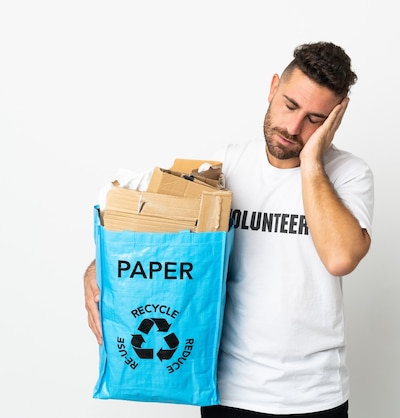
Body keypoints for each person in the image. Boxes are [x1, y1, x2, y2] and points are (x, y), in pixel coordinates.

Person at [84, 41, 374, 418]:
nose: (293, 127)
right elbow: (146, 227)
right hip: (227, 391)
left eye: (315, 119)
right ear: (272, 88)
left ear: (334, 120)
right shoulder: (223, 169)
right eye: (289, 105)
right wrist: (97, 267)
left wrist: (313, 162)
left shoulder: (350, 175)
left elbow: (340, 257)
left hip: (314, 397)